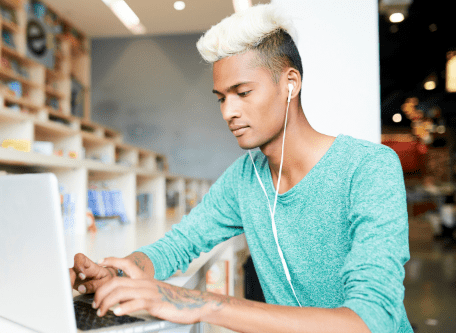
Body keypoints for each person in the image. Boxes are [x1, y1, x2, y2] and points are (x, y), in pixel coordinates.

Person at [70, 4, 413, 333]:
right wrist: (122, 270)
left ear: (290, 83)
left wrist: (201, 302)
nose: (228, 112)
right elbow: (179, 244)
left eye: (243, 92)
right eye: (221, 97)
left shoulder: (369, 167)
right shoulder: (244, 178)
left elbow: (370, 322)